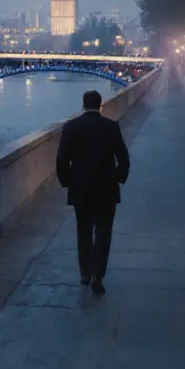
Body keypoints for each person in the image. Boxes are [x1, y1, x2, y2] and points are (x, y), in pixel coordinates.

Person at [55, 89, 131, 294]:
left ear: (83, 105)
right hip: (106, 189)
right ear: (101, 106)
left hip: (80, 190)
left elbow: (61, 161)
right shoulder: (111, 127)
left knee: (84, 231)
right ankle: (98, 275)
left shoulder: (71, 127)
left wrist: (68, 182)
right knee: (104, 233)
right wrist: (118, 178)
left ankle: (85, 273)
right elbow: (123, 158)